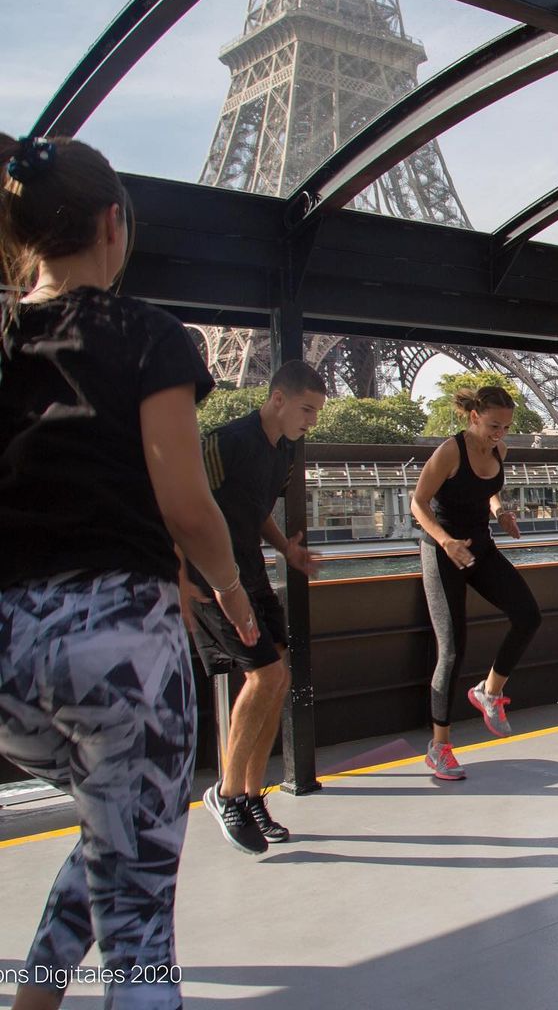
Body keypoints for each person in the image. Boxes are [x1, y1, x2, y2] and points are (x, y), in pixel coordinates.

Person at [0, 133, 256, 1010]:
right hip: (116, 649)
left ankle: (33, 998)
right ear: (115, 225)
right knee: (141, 919)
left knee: (112, 829)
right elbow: (185, 503)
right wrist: (227, 584)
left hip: (5, 655)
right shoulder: (146, 334)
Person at [188, 360, 326, 855]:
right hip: (208, 573)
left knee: (280, 675)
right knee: (265, 677)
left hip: (249, 569)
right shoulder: (224, 441)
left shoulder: (285, 452)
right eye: (307, 409)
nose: (311, 420)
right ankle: (225, 795)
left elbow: (257, 509)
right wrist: (178, 573)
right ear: (277, 399)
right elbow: (178, 498)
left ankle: (249, 796)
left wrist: (286, 550)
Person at [410, 386, 542, 780]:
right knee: (452, 650)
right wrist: (445, 542)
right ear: (473, 418)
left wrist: (501, 512)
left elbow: (490, 490)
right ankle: (440, 747)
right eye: (492, 425)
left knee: (528, 615)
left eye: (505, 426)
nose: (499, 433)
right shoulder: (451, 451)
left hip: (479, 547)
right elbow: (419, 501)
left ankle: (490, 691)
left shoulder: (501, 450)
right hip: (443, 550)